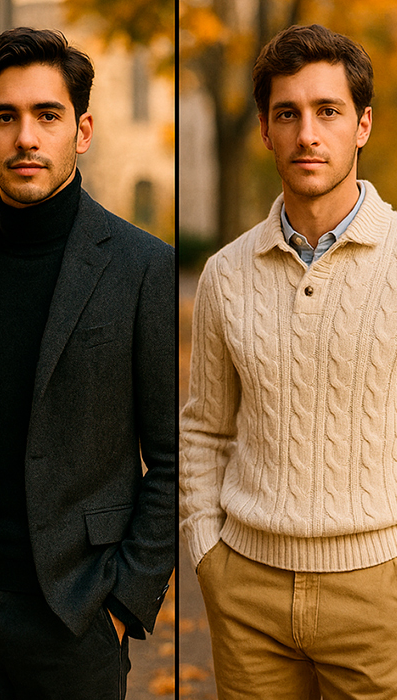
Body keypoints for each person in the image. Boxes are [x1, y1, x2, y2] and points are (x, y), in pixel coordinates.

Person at [0, 27, 175, 700]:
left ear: (82, 130)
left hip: (79, 618)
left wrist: (123, 602)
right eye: (5, 117)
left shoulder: (143, 268)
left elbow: (172, 459)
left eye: (47, 115)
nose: (25, 138)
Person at [180, 23, 397, 699]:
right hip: (247, 593)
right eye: (287, 114)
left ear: (362, 125)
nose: (308, 134)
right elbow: (204, 429)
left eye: (328, 111)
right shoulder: (225, 274)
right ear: (266, 131)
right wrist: (208, 553)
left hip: (378, 591)